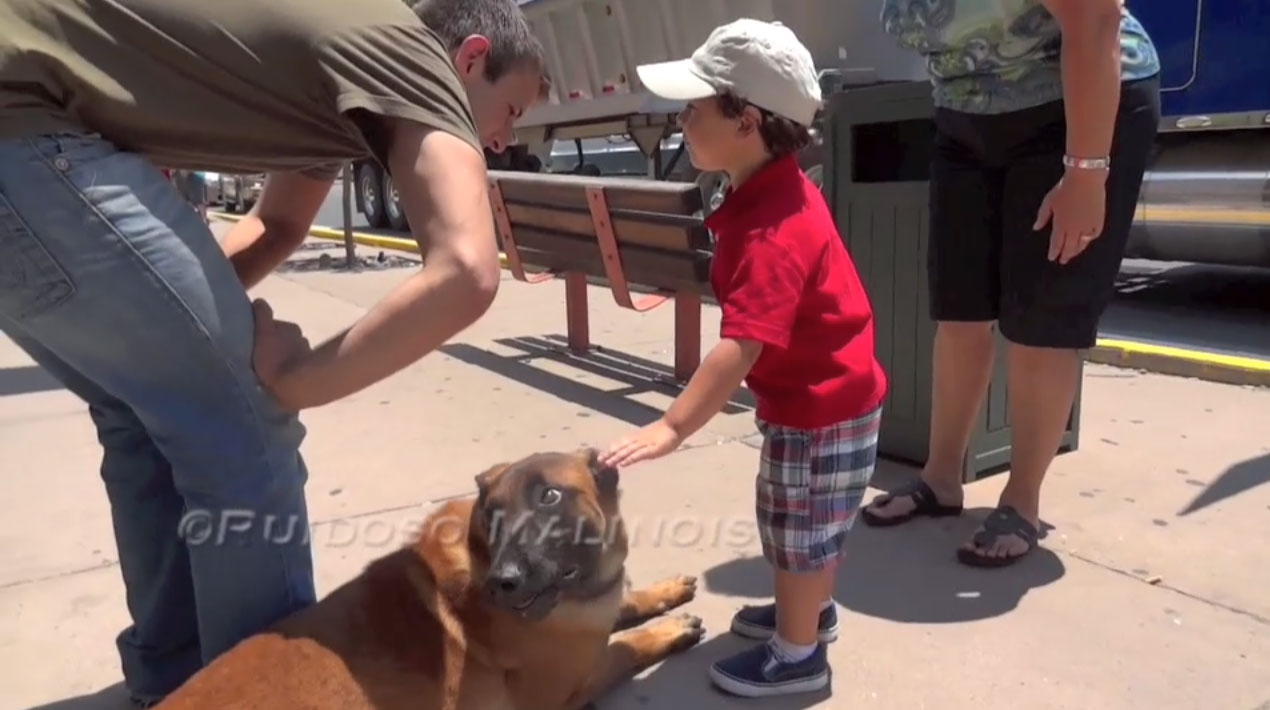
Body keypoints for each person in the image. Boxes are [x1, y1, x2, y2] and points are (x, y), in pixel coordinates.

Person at [0, 0, 546, 705]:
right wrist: (291, 379)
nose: (501, 139)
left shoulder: (347, 75)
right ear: (470, 58)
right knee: (247, 431)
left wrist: (192, 329)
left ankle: (175, 687)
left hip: (23, 158)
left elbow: (278, 222)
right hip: (34, 144)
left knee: (149, 419)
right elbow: (468, 271)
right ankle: (263, 696)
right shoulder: (413, 55)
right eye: (510, 109)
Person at [600, 19, 889, 698]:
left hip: (819, 412)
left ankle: (798, 657)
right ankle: (808, 613)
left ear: (747, 122)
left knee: (798, 534)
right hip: (825, 402)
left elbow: (740, 345)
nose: (683, 119)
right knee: (806, 525)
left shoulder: (772, 227)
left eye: (695, 107)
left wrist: (672, 426)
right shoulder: (771, 191)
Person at [861, 0, 1161, 566]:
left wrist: (1086, 171)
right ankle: (940, 479)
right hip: (966, 115)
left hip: (1076, 107)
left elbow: (1093, 21)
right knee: (960, 310)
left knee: (1039, 322)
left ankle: (1021, 500)